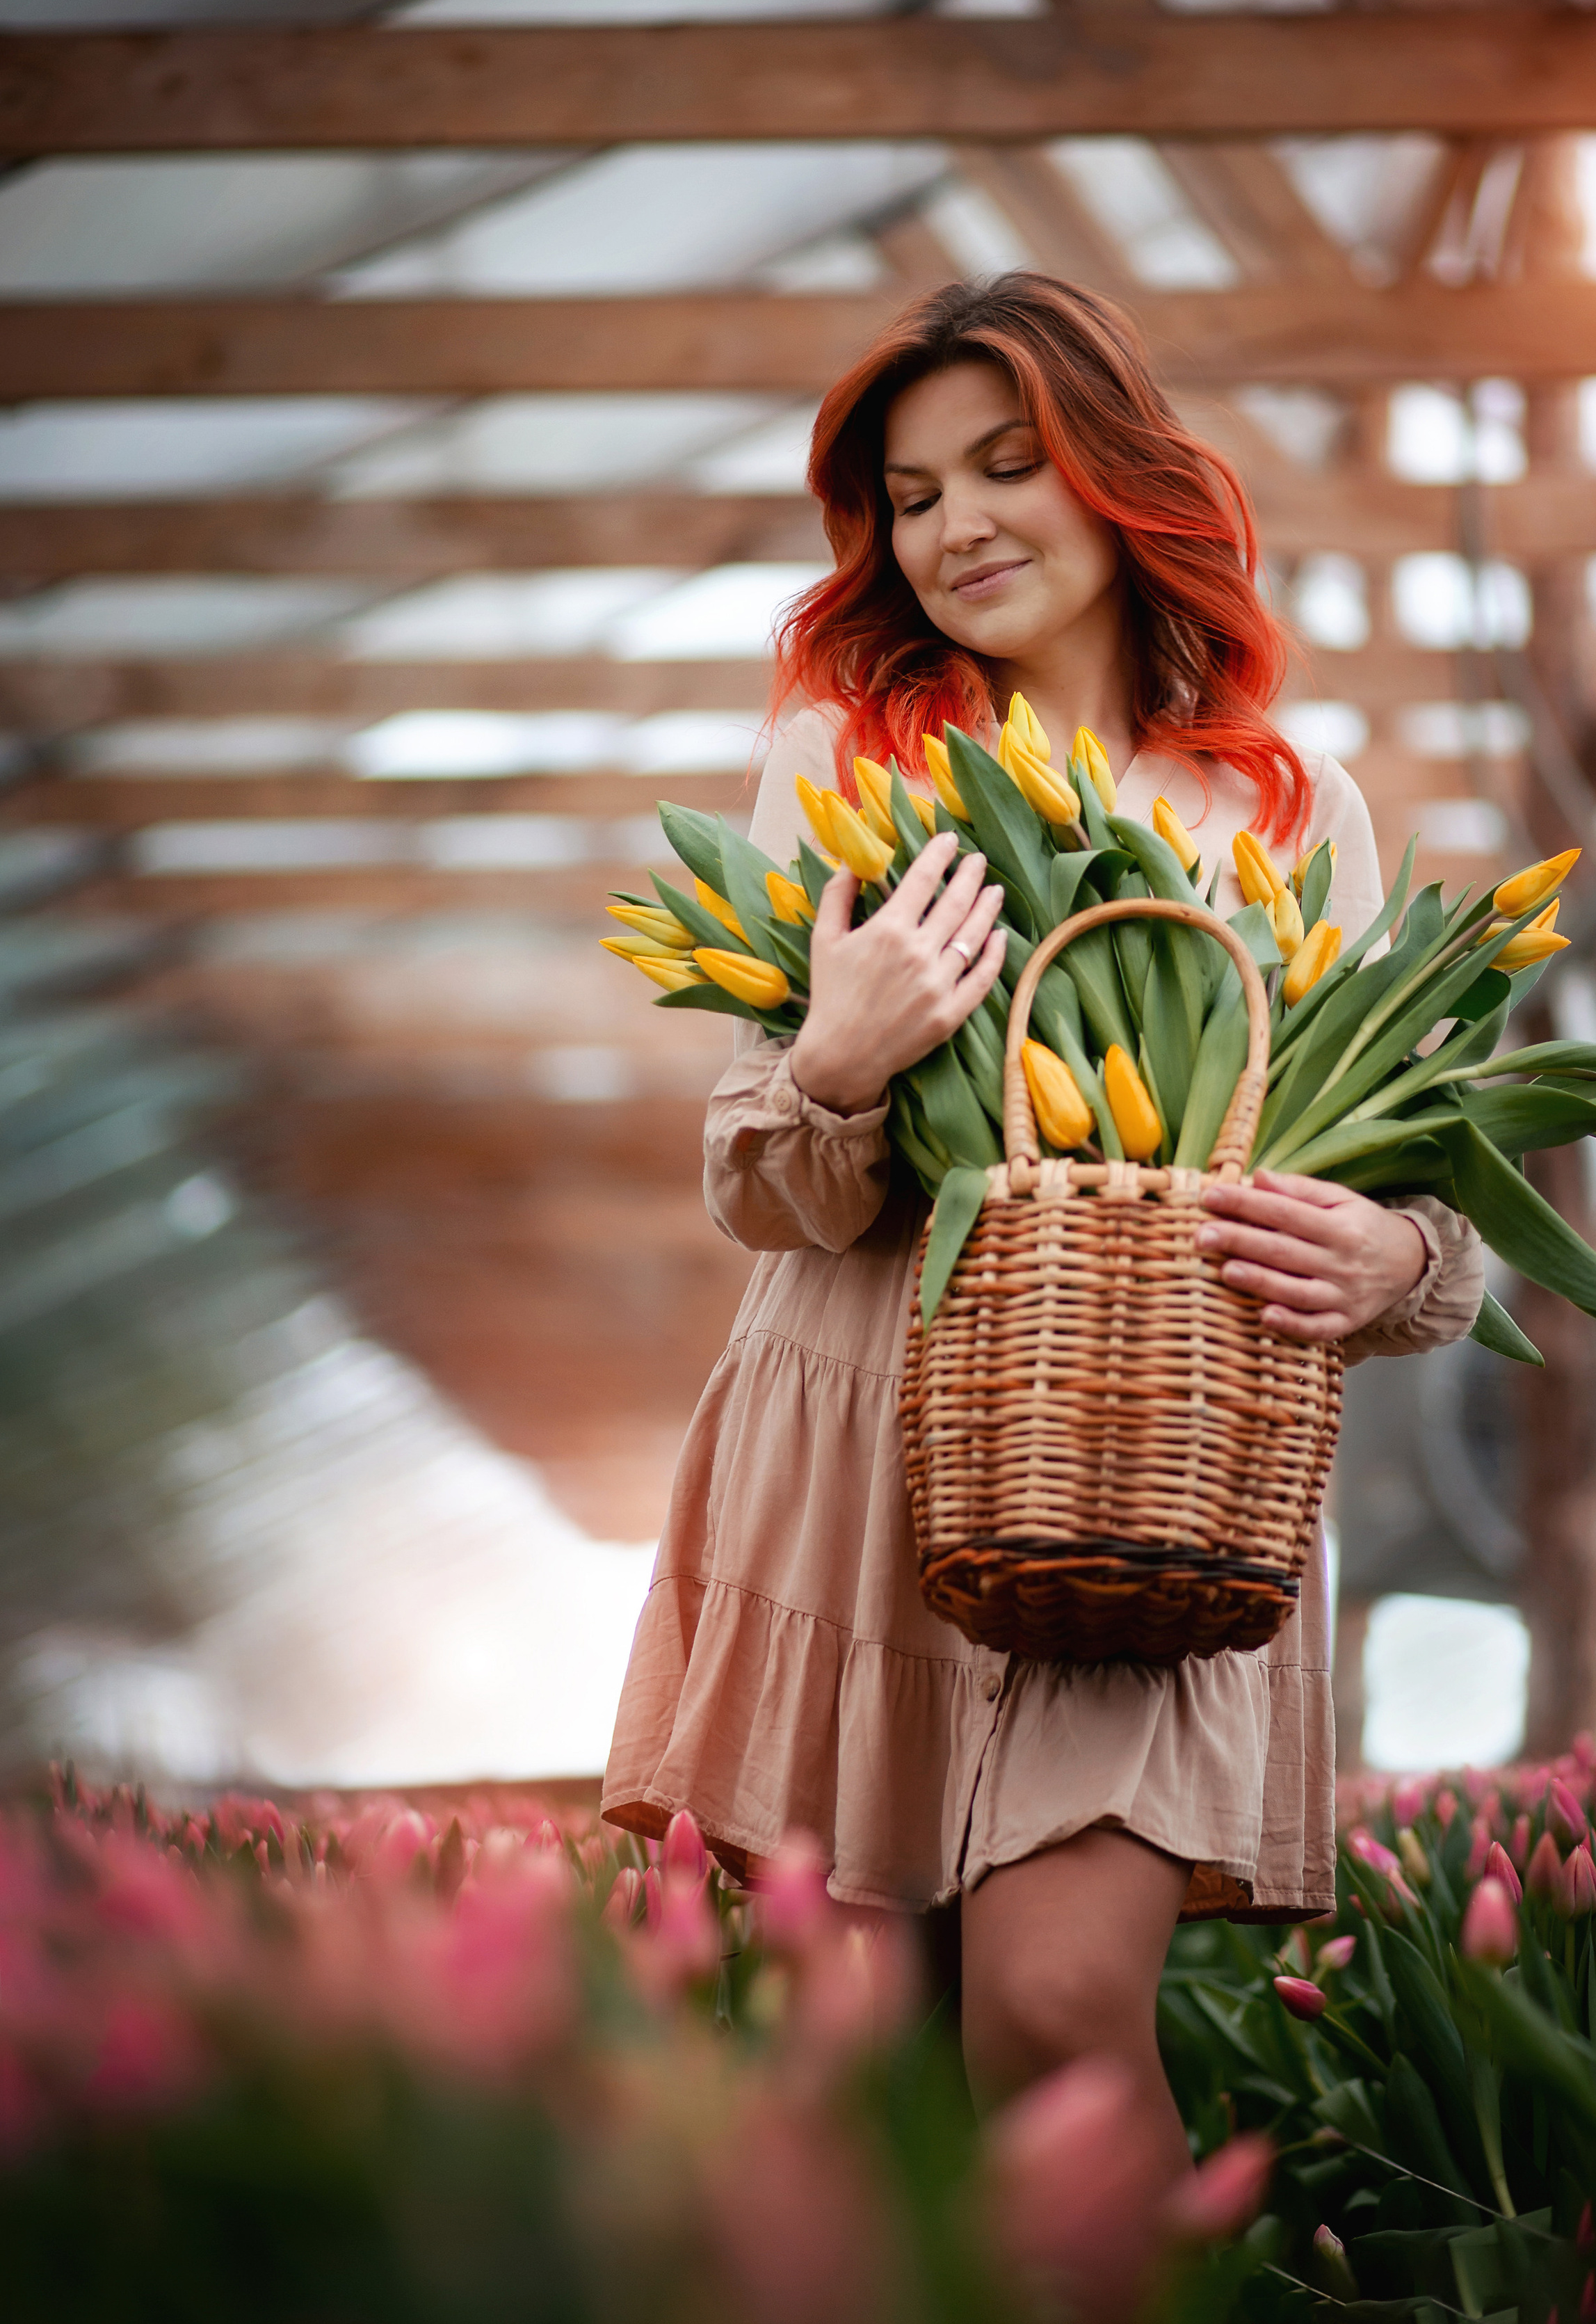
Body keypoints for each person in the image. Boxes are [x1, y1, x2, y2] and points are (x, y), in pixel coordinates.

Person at [603, 272, 1483, 2174]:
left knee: (1059, 2017)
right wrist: (839, 1061)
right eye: (914, 496)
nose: (957, 526)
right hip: (862, 1449)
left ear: (1118, 477)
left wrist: (1401, 1263)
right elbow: (763, 1187)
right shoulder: (849, 768)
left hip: (1156, 1485)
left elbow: (1407, 1168)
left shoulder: (1282, 803)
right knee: (871, 2083)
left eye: (1009, 465)